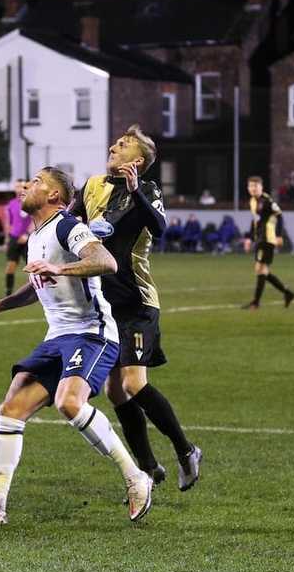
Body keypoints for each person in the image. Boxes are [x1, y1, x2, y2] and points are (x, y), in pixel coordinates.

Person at [0, 167, 153, 528]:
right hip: (57, 337)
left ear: (54, 196)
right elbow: (37, 285)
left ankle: (136, 477)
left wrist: (60, 270)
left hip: (92, 333)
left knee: (69, 401)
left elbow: (105, 262)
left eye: (37, 182)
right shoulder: (37, 236)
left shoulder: (66, 225)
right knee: (11, 407)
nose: (28, 185)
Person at [68, 125, 202, 494]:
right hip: (105, 305)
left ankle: (186, 451)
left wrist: (134, 192)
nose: (113, 146)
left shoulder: (147, 190)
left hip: (138, 303)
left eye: (123, 145)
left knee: (133, 382)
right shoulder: (93, 185)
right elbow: (70, 220)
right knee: (116, 392)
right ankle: (147, 467)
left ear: (138, 161)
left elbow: (159, 227)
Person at [243, 176, 294, 309]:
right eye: (250, 186)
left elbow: (280, 216)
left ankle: (256, 303)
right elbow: (255, 220)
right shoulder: (252, 201)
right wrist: (249, 237)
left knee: (260, 269)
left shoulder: (267, 201)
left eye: (256, 186)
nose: (253, 189)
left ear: (261, 187)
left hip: (268, 238)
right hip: (260, 237)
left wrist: (279, 235)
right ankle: (287, 293)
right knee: (262, 270)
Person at [3, 180, 31, 295]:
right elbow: (8, 223)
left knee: (32, 268)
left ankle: (36, 292)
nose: (20, 189)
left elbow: (35, 221)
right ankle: (8, 293)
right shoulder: (11, 204)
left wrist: (27, 235)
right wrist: (7, 240)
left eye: (23, 186)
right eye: (18, 186)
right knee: (10, 266)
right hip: (14, 238)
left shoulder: (30, 203)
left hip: (28, 239)